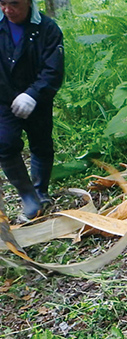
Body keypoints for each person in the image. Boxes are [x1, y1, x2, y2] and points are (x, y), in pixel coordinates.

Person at [0, 0, 64, 221]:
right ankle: (28, 197)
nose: (8, 10)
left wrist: (33, 94)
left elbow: (53, 69)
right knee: (4, 144)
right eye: (2, 3)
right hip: (4, 98)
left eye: (14, 3)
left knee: (41, 143)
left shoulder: (48, 29)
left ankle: (40, 191)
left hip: (38, 100)